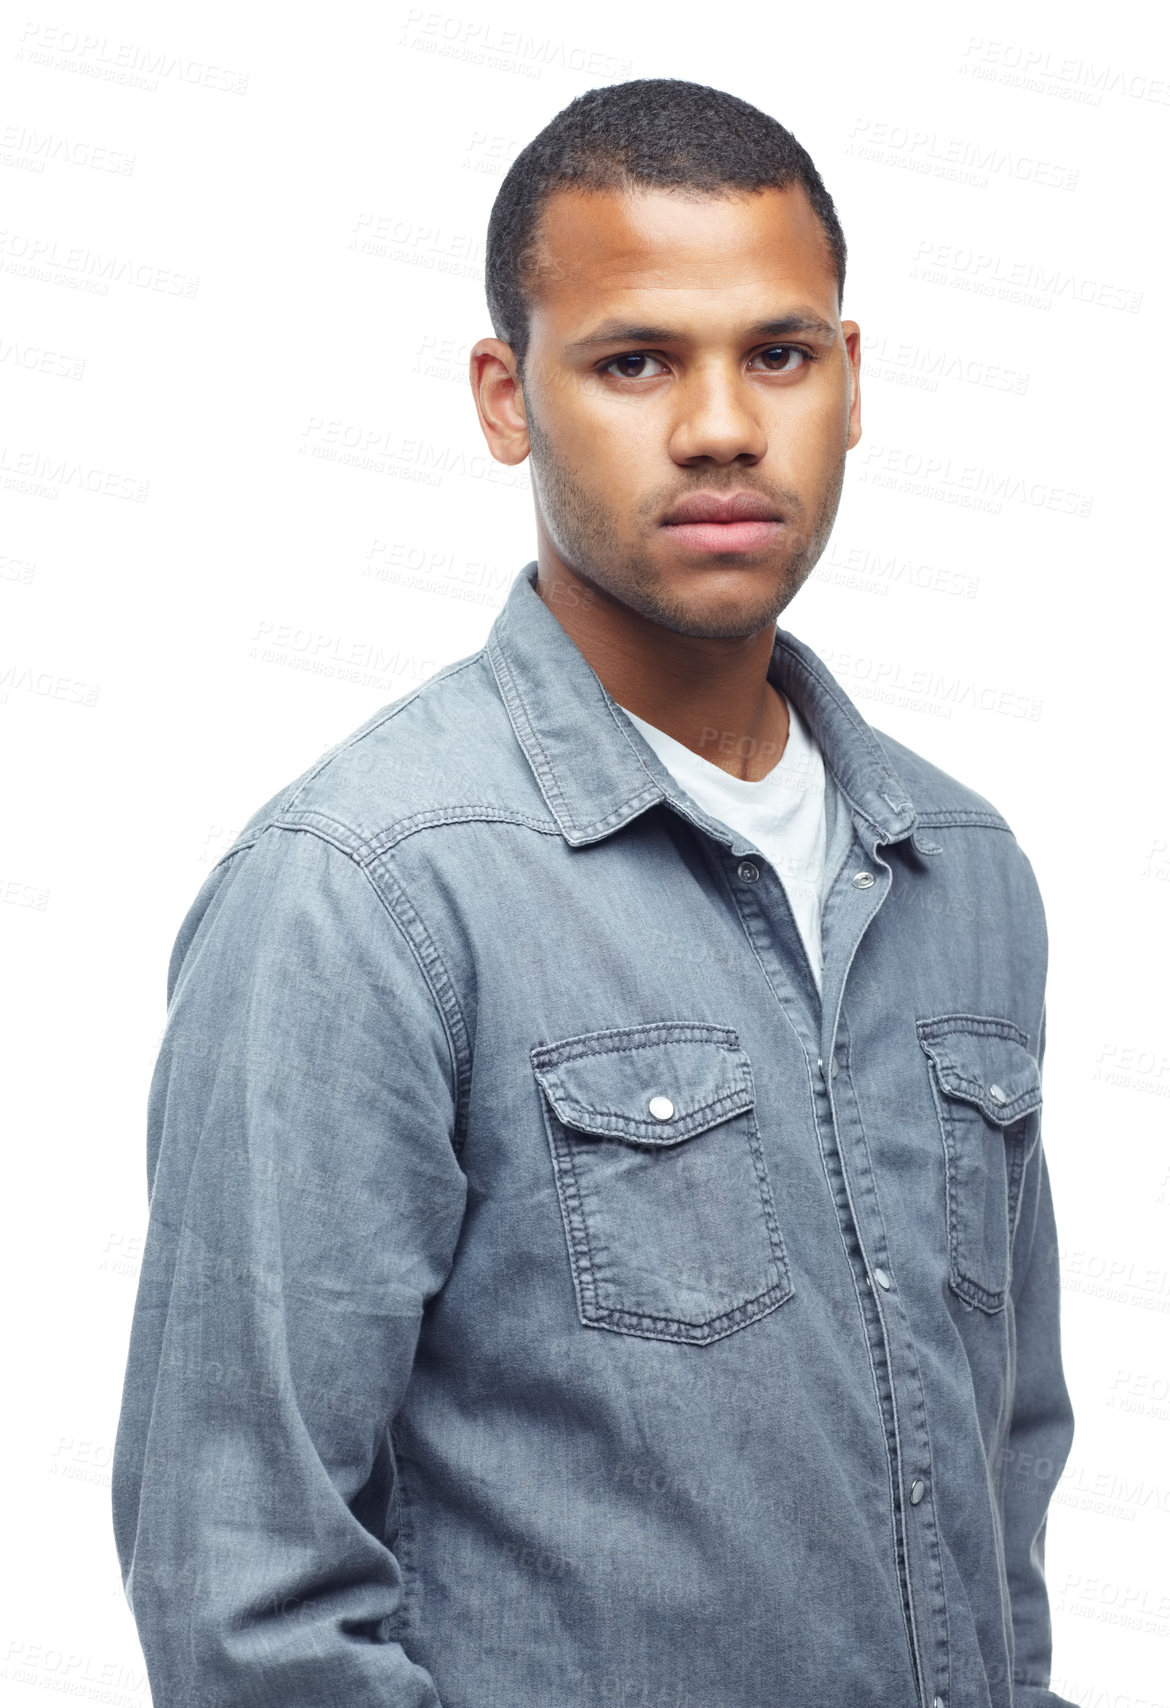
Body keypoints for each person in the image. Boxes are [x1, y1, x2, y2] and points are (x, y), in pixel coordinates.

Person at [113, 78, 1079, 1708]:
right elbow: (244, 1596)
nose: (718, 425)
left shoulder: (961, 870)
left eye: (775, 354)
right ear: (506, 396)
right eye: (635, 361)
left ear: (847, 384)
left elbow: (1003, 1488)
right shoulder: (361, 893)